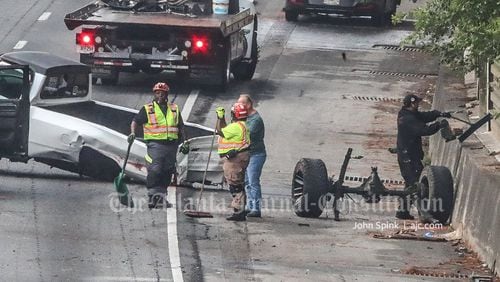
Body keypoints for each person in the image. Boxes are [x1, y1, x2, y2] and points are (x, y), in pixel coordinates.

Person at [128, 82, 189, 209]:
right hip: (155, 145)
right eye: (157, 93)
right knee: (155, 170)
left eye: (162, 93)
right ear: (154, 94)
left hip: (172, 146)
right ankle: (152, 196)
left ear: (166, 94)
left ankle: (161, 198)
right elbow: (135, 121)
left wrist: (185, 141)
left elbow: (181, 127)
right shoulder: (148, 109)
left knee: (167, 171)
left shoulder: (174, 108)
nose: (160, 95)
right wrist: (133, 133)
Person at [396, 94, 450, 220]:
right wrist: (438, 125)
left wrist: (438, 114)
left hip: (411, 154)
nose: (418, 105)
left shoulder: (409, 114)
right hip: (407, 157)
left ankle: (403, 211)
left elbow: (423, 117)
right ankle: (425, 214)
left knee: (410, 183)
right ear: (412, 104)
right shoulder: (407, 119)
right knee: (415, 184)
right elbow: (424, 130)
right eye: (417, 104)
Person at [216, 103, 251, 221]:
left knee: (235, 185)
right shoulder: (241, 125)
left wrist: (220, 117)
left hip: (236, 159)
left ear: (234, 114)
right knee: (237, 183)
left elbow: (220, 131)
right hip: (239, 157)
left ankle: (238, 211)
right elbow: (226, 130)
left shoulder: (237, 126)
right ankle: (240, 209)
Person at [237, 94, 266, 217]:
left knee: (253, 181)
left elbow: (246, 135)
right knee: (247, 182)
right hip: (247, 154)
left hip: (256, 155)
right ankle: (250, 206)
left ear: (248, 105)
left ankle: (256, 208)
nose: (239, 106)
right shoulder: (245, 118)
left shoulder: (256, 120)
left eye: (241, 104)